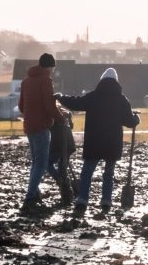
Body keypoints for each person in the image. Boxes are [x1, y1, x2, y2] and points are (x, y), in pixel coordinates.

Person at [56, 67, 140, 216]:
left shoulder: (93, 97)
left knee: (87, 172)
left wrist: (61, 97)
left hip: (94, 141)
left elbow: (76, 103)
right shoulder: (122, 100)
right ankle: (106, 201)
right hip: (112, 143)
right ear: (116, 82)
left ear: (101, 81)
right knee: (109, 173)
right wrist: (136, 118)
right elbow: (129, 121)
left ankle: (82, 200)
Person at [18, 53, 61, 215]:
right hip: (42, 126)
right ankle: (30, 196)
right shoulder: (46, 80)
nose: (53, 71)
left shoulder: (26, 81)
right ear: (49, 66)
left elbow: (21, 106)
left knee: (36, 161)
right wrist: (60, 118)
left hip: (29, 126)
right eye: (53, 67)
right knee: (41, 163)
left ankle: (35, 193)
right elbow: (49, 106)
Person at [48, 103, 76, 208]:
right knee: (62, 167)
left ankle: (60, 181)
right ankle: (67, 191)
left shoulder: (53, 115)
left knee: (48, 163)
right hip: (69, 145)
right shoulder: (66, 114)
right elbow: (71, 126)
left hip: (59, 145)